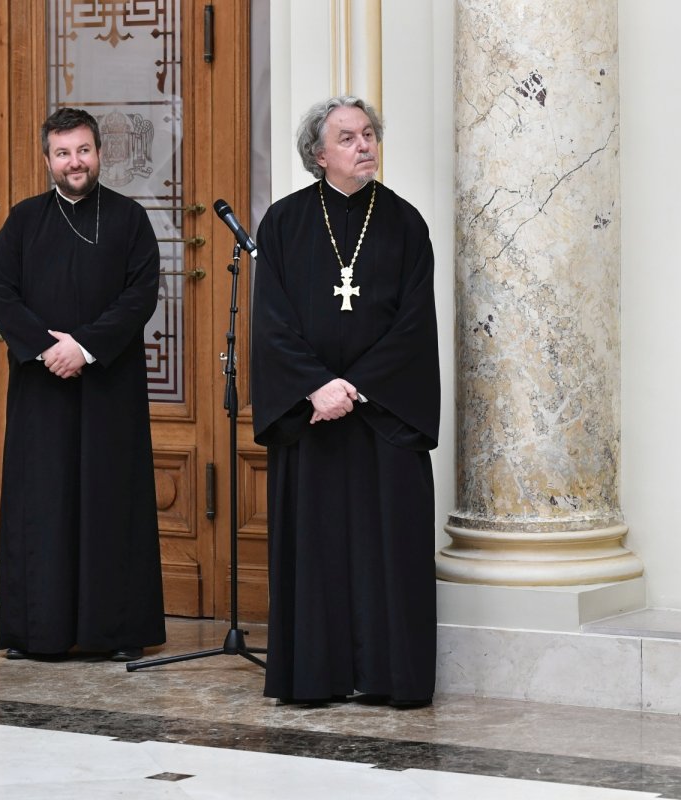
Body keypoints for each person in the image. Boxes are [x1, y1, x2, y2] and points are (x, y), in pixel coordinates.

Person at [250, 96, 440, 708]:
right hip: (313, 420)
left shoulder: (406, 223)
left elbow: (414, 326)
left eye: (369, 135)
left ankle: (391, 677)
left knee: (388, 553)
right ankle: (315, 676)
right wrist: (315, 386)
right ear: (318, 153)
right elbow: (272, 323)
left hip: (382, 418)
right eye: (349, 138)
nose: (365, 146)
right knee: (319, 555)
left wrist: (354, 387)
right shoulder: (283, 222)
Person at [0, 107, 165, 663]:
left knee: (111, 501)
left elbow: (140, 295)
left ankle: (114, 631)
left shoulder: (130, 218)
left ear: (99, 153)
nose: (74, 162)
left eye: (83, 150)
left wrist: (83, 347)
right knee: (43, 505)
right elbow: (2, 296)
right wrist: (47, 349)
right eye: (63, 153)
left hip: (109, 387)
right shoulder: (22, 220)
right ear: (47, 160)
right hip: (43, 389)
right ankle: (35, 631)